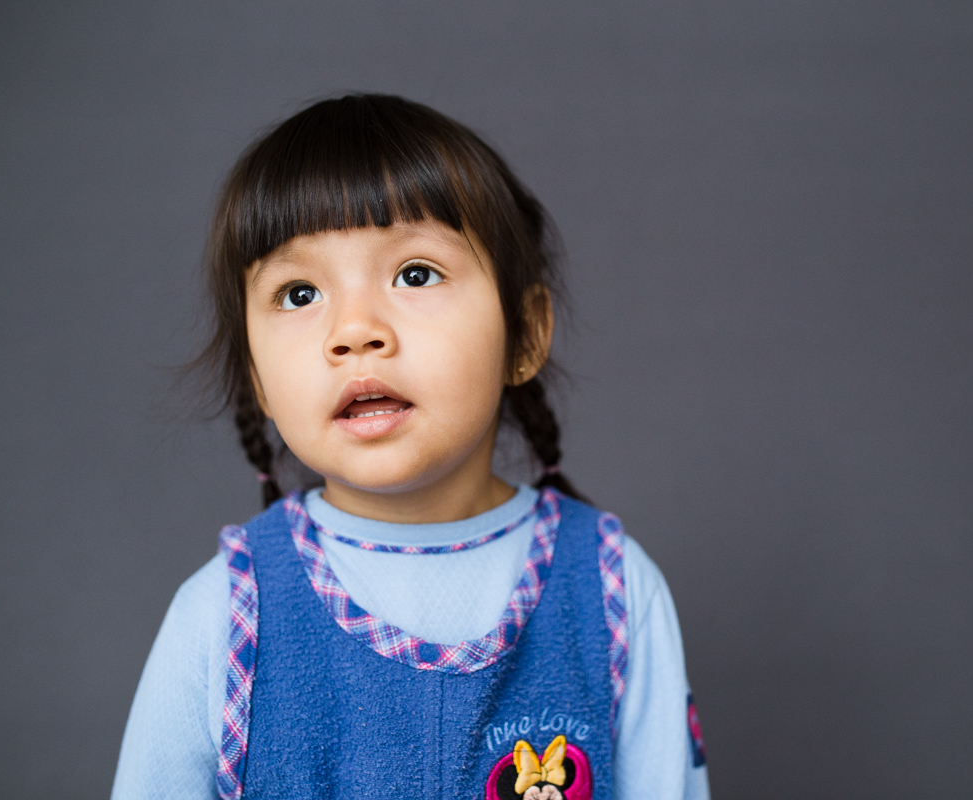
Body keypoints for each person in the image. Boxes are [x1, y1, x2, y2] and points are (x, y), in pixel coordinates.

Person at [111, 94, 710, 800]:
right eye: (300, 293)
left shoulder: (613, 590)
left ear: (524, 334)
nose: (355, 330)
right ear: (258, 381)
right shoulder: (224, 616)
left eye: (415, 274)